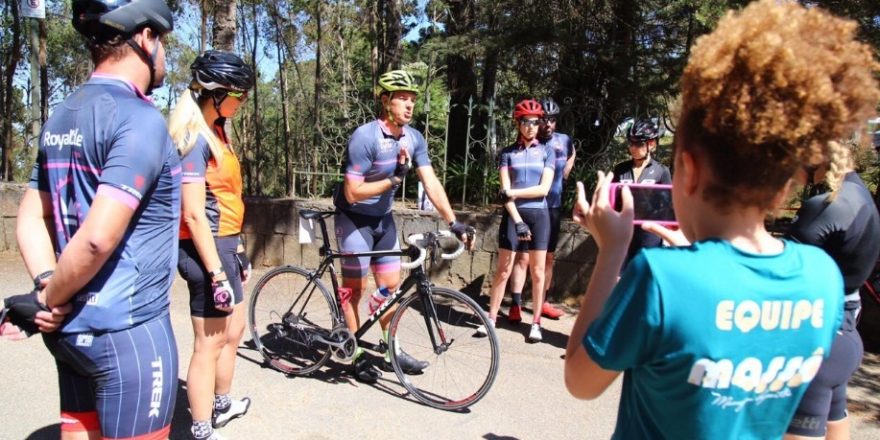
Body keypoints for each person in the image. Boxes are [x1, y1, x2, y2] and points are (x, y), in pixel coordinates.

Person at [564, 0, 879, 438]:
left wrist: (611, 250)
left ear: (688, 171)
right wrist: (698, 260)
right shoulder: (823, 278)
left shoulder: (659, 278)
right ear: (786, 183)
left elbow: (580, 380)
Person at [10, 0, 181, 438]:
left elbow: (31, 216)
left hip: (69, 332)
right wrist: (52, 297)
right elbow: (96, 240)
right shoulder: (141, 119)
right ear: (145, 38)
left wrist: (49, 284)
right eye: (162, 41)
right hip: (129, 334)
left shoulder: (62, 114)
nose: (163, 55)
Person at [334, 69, 474, 383]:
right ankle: (353, 351)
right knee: (354, 291)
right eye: (402, 99)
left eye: (412, 100)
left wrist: (454, 223)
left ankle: (389, 349)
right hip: (354, 219)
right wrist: (393, 180)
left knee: (389, 290)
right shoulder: (366, 137)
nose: (410, 106)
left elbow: (432, 182)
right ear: (386, 101)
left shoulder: (414, 138)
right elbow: (352, 192)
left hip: (382, 220)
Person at [168, 50, 255, 440]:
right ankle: (200, 429)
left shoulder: (216, 130)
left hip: (224, 245)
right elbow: (194, 215)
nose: (243, 101)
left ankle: (220, 404)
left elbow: (226, 197)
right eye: (239, 93)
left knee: (233, 331)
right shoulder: (194, 139)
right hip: (206, 250)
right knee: (209, 343)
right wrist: (218, 273)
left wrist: (237, 251)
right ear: (216, 93)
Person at [785, 151, 880, 439]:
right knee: (835, 416)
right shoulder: (859, 194)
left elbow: (782, 267)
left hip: (818, 336)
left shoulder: (826, 206)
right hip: (846, 329)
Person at [480, 99, 554, 342]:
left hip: (539, 215)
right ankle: (491, 318)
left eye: (535, 122)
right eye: (526, 122)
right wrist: (517, 218)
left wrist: (513, 193)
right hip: (514, 216)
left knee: (538, 271)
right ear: (518, 123)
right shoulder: (507, 153)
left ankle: (536, 323)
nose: (531, 127)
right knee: (503, 270)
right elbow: (504, 191)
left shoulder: (546, 151)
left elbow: (543, 189)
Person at [507, 97, 574, 321]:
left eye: (552, 120)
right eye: (544, 120)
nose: (547, 125)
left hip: (553, 207)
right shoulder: (532, 143)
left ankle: (542, 302)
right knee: (523, 259)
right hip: (529, 207)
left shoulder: (564, 140)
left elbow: (572, 154)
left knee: (548, 259)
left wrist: (564, 176)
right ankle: (515, 304)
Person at [611, 118, 671, 265]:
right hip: (623, 232)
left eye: (638, 143)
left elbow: (668, 206)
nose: (632, 147)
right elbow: (612, 201)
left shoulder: (661, 171)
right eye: (630, 143)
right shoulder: (620, 169)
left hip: (649, 235)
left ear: (651, 144)